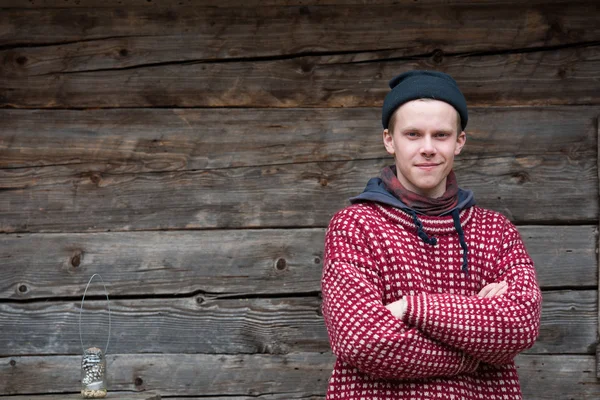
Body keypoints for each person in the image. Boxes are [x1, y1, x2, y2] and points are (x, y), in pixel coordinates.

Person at [320, 70, 542, 399]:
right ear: (389, 140)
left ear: (459, 141)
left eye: (440, 135)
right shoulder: (356, 226)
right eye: (413, 134)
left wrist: (411, 308)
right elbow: (362, 340)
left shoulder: (496, 232)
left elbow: (520, 324)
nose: (427, 148)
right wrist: (475, 353)